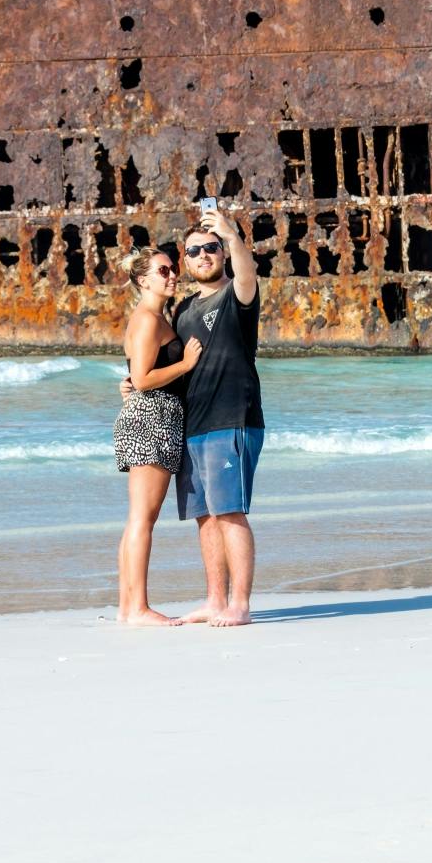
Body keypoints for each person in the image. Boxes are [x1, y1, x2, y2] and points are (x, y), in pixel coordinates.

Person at [124, 207, 265, 626]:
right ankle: (215, 600)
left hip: (231, 417)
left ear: (222, 253)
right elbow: (163, 363)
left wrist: (230, 233)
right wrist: (133, 383)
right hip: (191, 425)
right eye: (194, 251)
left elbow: (246, 272)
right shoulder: (182, 310)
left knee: (229, 512)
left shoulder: (236, 295)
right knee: (204, 516)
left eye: (211, 248)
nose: (203, 255)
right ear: (185, 260)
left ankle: (240, 603)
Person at [111, 248, 204, 626]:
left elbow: (134, 377)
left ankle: (126, 607)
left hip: (151, 416)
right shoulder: (148, 319)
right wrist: (186, 363)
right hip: (152, 417)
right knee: (142, 520)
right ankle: (138, 609)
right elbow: (145, 379)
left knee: (137, 519)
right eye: (163, 270)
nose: (172, 276)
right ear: (142, 280)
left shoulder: (151, 318)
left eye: (173, 269)